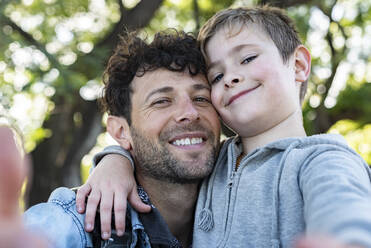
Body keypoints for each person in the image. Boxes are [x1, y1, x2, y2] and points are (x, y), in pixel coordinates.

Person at [77, 5, 371, 248]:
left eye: (247, 58)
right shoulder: (212, 160)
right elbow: (154, 153)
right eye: (216, 77)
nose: (231, 77)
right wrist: (115, 161)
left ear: (298, 65)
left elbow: (346, 215)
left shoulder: (322, 160)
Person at [21, 30, 221, 248]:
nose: (190, 113)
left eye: (201, 98)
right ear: (121, 132)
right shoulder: (80, 224)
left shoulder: (246, 191)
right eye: (162, 101)